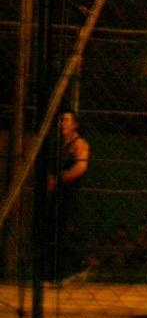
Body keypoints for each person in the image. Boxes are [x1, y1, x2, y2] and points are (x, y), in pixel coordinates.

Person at [46, 111, 90, 283]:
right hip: (58, 192)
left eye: (66, 120)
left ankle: (73, 268)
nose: (62, 123)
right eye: (61, 120)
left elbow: (81, 166)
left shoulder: (79, 144)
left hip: (70, 192)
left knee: (65, 231)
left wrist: (62, 178)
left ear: (75, 124)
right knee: (55, 231)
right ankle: (63, 270)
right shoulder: (59, 145)